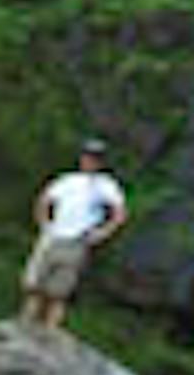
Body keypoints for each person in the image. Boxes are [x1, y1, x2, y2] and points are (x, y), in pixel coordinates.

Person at [20, 136, 127, 331]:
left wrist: (101, 233)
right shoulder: (67, 180)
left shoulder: (105, 185)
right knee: (34, 285)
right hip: (52, 236)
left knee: (59, 292)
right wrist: (45, 224)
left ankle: (49, 333)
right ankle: (24, 327)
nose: (90, 162)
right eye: (88, 156)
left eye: (96, 158)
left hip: (76, 241)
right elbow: (44, 200)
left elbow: (119, 213)